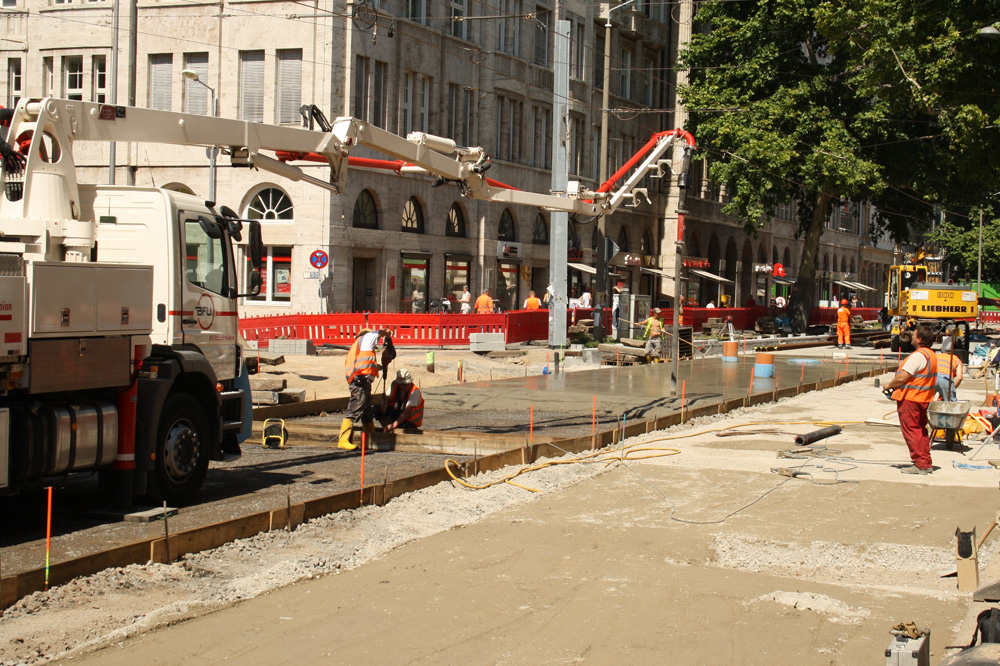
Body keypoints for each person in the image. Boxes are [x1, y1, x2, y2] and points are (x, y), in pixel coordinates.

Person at [883, 324, 938, 474]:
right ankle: (925, 462)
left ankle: (920, 464)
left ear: (919, 339)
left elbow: (903, 376)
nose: (911, 336)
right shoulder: (931, 355)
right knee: (920, 431)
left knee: (912, 431)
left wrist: (888, 384)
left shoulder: (918, 356)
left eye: (913, 335)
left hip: (911, 399)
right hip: (922, 398)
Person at [339, 328, 392, 450]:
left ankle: (370, 436)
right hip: (360, 383)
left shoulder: (357, 347)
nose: (377, 340)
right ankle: (343, 439)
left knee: (367, 412)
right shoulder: (367, 338)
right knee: (354, 410)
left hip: (361, 381)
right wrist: (388, 334)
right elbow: (381, 332)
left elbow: (364, 365)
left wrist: (376, 368)